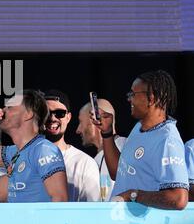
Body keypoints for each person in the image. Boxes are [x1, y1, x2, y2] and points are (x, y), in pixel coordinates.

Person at [0, 80, 68, 203]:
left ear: (28, 114)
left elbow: (60, 199)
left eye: (9, 107)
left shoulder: (43, 149)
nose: (3, 110)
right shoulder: (15, 153)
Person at [94, 70, 189, 209]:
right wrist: (107, 133)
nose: (129, 99)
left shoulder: (167, 139)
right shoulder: (138, 128)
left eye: (133, 94)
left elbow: (178, 198)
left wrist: (133, 195)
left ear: (151, 98)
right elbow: (117, 173)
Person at [44, 90, 100, 202]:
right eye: (46, 113)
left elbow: (91, 212)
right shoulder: (20, 156)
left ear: (68, 117)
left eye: (60, 113)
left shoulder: (84, 163)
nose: (53, 118)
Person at [76, 98, 127, 201]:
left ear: (95, 120)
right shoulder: (93, 161)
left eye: (81, 122)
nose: (78, 130)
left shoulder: (126, 147)